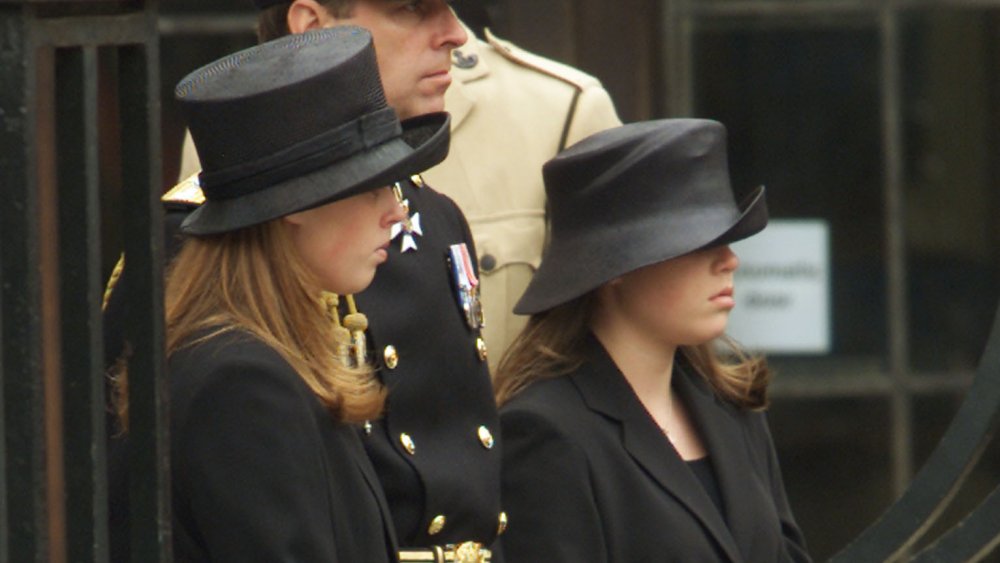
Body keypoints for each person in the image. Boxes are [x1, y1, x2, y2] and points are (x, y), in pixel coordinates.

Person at [105, 1, 503, 561]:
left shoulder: (268, 363)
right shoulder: (242, 381)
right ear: (295, 205)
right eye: (371, 187)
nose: (397, 211)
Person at [175, 4, 622, 367]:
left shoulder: (557, 111)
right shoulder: (237, 136)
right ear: (313, 25)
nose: (455, 33)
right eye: (411, 9)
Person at [494, 119, 812, 562]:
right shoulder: (547, 433)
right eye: (700, 241)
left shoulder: (732, 408)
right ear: (616, 265)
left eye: (729, 239)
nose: (730, 260)